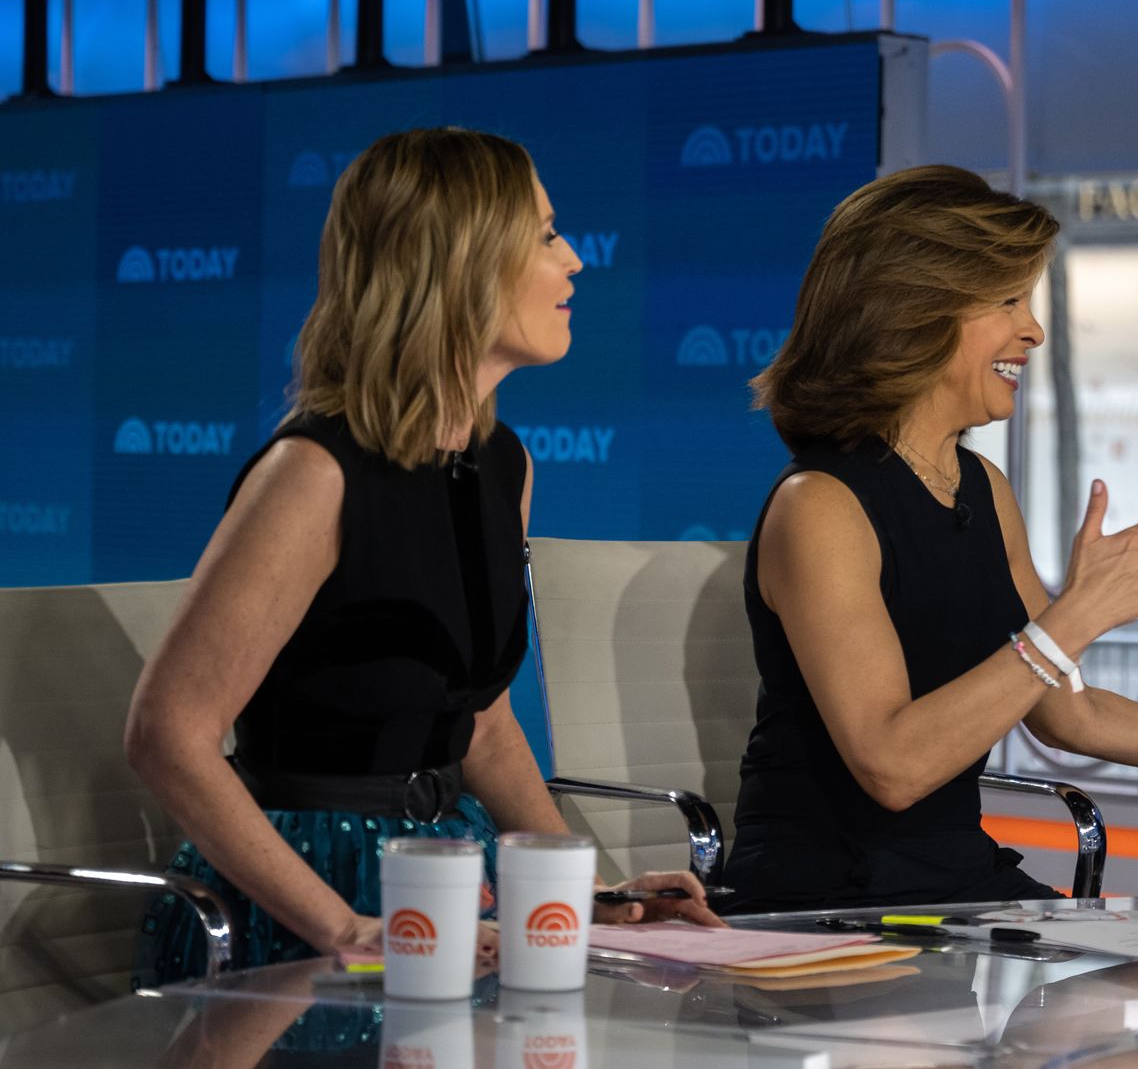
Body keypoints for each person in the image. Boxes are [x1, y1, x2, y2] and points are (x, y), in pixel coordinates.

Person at [126, 128, 718, 985]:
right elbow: (166, 734)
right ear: (462, 263)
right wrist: (345, 927)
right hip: (309, 895)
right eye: (547, 234)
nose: (577, 260)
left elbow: (479, 720)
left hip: (452, 878)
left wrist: (584, 890)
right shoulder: (313, 474)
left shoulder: (501, 463)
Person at [723, 165, 1138, 913]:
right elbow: (892, 764)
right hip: (826, 903)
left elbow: (1069, 713)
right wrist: (1074, 617)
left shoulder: (982, 487)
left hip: (956, 885)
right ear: (912, 310)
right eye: (1006, 300)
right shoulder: (819, 506)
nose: (1033, 330)